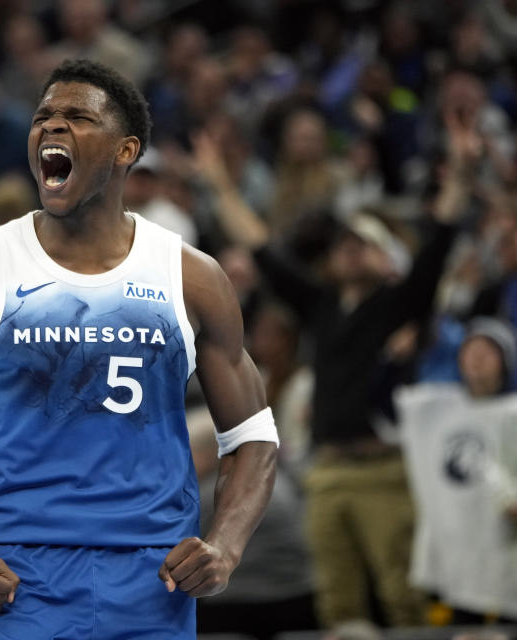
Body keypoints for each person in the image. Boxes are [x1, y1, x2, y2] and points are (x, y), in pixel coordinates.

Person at [0, 59, 278, 638]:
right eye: (44, 115)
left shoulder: (190, 276)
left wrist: (225, 547)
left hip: (154, 576)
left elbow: (253, 436)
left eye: (76, 117)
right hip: (17, 578)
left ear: (125, 150)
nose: (51, 127)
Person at [194, 105, 482, 627]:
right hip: (326, 474)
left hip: (382, 469)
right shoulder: (322, 305)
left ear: (388, 257)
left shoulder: (399, 304)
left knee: (402, 598)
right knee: (336, 604)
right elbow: (262, 250)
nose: (350, 250)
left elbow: (438, 241)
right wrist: (221, 188)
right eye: (345, 243)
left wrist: (461, 175)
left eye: (363, 243)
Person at [397, 318, 517, 623]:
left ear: (504, 362)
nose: (477, 358)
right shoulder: (438, 406)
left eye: (488, 351)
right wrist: (397, 359)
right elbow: (388, 406)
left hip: (503, 546)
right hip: (453, 548)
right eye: (471, 350)